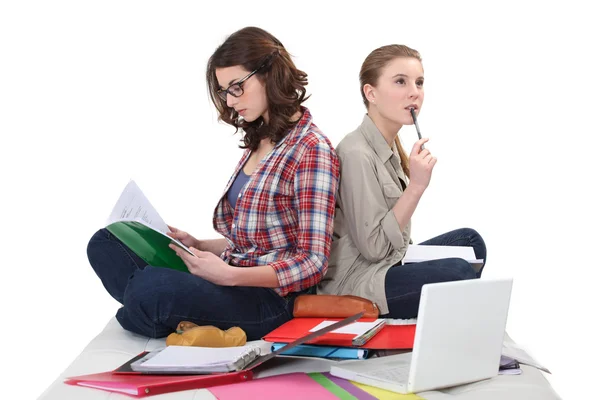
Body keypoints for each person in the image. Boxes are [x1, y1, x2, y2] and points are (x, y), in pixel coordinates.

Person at [87, 27, 339, 340]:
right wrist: (200, 245)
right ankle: (156, 311)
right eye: (224, 91)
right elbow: (257, 241)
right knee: (106, 243)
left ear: (270, 75)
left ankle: (152, 308)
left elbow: (314, 263)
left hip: (267, 300)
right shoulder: (259, 139)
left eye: (237, 87)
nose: (231, 101)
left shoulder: (312, 149)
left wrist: (230, 276)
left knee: (152, 288)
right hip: (229, 272)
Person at [318, 44, 486, 319]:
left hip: (389, 263)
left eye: (419, 82)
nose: (414, 92)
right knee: (459, 272)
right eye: (400, 82)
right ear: (370, 93)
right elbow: (373, 249)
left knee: (470, 242)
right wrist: (416, 187)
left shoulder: (390, 144)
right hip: (358, 282)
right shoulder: (356, 153)